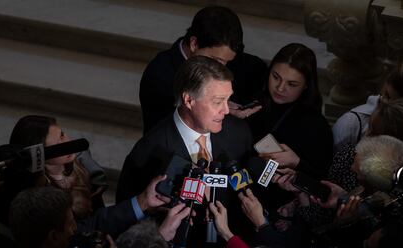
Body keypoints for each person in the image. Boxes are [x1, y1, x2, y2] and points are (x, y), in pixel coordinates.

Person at [118, 55, 253, 204]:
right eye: (218, 102)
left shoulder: (239, 132)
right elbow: (131, 212)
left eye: (228, 100)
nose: (226, 110)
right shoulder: (147, 153)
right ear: (189, 100)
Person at [139, 5, 266, 134]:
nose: (221, 67)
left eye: (227, 61)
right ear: (194, 44)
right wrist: (222, 111)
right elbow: (166, 133)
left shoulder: (232, 58)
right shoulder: (159, 75)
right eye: (216, 60)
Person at [248, 43, 333, 182]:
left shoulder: (317, 127)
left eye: (292, 84)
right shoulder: (253, 101)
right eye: (276, 77)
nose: (280, 88)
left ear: (306, 85)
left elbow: (323, 181)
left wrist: (297, 163)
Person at [9, 115, 108, 218]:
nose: (67, 144)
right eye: (56, 146)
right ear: (38, 156)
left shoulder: (82, 161)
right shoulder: (38, 193)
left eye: (62, 135)